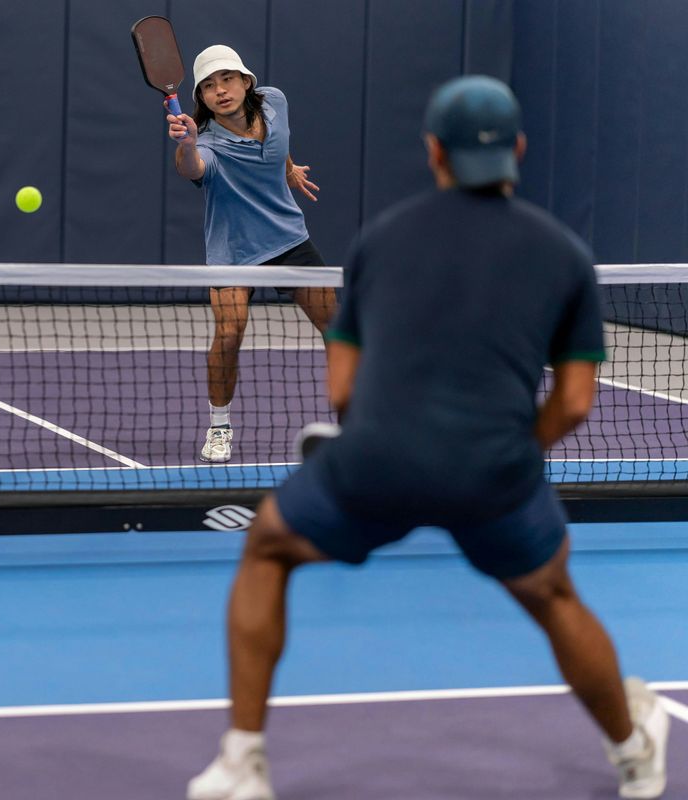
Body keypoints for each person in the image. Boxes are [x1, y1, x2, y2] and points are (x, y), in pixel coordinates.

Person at [187, 76, 669, 800]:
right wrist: (515, 451)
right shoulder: (565, 255)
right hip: (495, 473)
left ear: (433, 151)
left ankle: (242, 763)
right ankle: (634, 758)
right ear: (520, 151)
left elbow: (345, 388)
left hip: (379, 462)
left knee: (269, 547)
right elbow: (573, 402)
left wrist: (373, 441)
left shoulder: (384, 238)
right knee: (555, 596)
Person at [167, 45, 335, 464]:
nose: (219, 90)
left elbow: (279, 139)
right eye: (208, 86)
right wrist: (186, 144)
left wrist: (288, 168)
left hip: (288, 240)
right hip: (232, 252)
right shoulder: (209, 145)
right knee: (229, 332)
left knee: (340, 329)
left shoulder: (276, 102)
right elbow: (193, 168)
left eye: (226, 79)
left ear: (246, 82)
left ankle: (359, 421)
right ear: (202, 99)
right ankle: (219, 427)